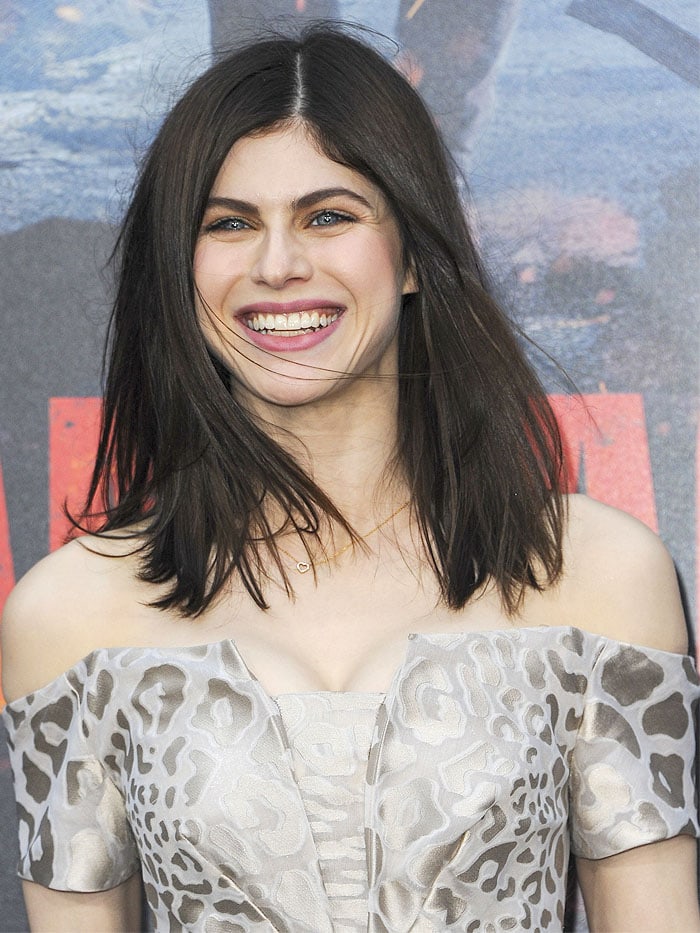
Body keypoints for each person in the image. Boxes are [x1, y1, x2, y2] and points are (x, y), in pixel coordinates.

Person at [1, 24, 698, 933]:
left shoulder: (598, 574)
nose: (279, 263)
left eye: (328, 215)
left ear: (411, 253)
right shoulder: (68, 616)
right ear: (184, 270)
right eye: (229, 223)